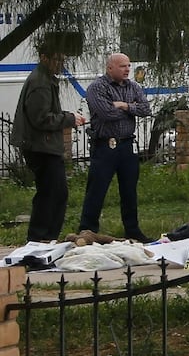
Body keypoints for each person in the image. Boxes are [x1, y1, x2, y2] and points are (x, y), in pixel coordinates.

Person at [10, 34, 86, 242]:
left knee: (56, 193)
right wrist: (69, 119)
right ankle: (39, 239)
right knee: (50, 194)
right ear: (44, 58)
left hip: (44, 145)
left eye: (63, 60)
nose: (60, 65)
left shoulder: (45, 79)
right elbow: (41, 119)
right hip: (40, 147)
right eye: (57, 60)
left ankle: (47, 238)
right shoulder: (40, 82)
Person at [75, 52, 152, 240]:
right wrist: (129, 109)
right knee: (97, 189)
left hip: (127, 145)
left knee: (129, 191)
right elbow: (106, 113)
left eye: (128, 66)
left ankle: (132, 230)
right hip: (105, 145)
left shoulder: (133, 86)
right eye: (122, 66)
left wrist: (124, 106)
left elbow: (145, 109)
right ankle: (87, 229)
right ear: (110, 68)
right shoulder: (97, 87)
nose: (127, 69)